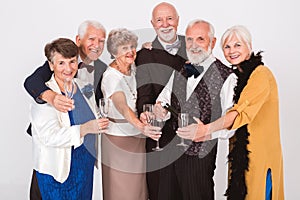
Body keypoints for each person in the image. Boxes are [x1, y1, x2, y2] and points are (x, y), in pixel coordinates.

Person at [178, 25, 284, 200]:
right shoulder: (239, 77)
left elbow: (238, 113)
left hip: (259, 157)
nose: (232, 51)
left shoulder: (261, 75)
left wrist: (206, 130)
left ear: (249, 46)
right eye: (227, 47)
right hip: (240, 154)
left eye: (238, 45)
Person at [146, 19, 237, 200]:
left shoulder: (228, 77)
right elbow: (163, 101)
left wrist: (207, 132)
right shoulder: (182, 68)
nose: (193, 45)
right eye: (189, 40)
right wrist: (159, 111)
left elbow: (233, 122)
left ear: (212, 42)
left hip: (199, 159)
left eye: (200, 39)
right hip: (169, 152)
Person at [24, 20, 107, 199]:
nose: (68, 68)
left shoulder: (86, 84)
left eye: (101, 40)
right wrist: (51, 97)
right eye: (91, 39)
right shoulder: (46, 92)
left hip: (84, 165)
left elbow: (98, 108)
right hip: (58, 165)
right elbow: (30, 83)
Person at [135, 2, 187, 199]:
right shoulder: (144, 55)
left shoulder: (194, 45)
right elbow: (144, 93)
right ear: (153, 24)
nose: (165, 24)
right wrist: (146, 112)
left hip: (192, 136)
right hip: (160, 137)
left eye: (170, 18)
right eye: (159, 20)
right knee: (160, 191)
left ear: (178, 20)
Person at [101, 28, 161, 200]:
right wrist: (141, 126)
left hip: (137, 137)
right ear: (114, 52)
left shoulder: (133, 67)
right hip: (118, 139)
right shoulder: (111, 77)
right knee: (121, 191)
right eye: (124, 48)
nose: (130, 51)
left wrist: (147, 47)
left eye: (131, 47)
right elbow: (122, 106)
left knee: (139, 191)